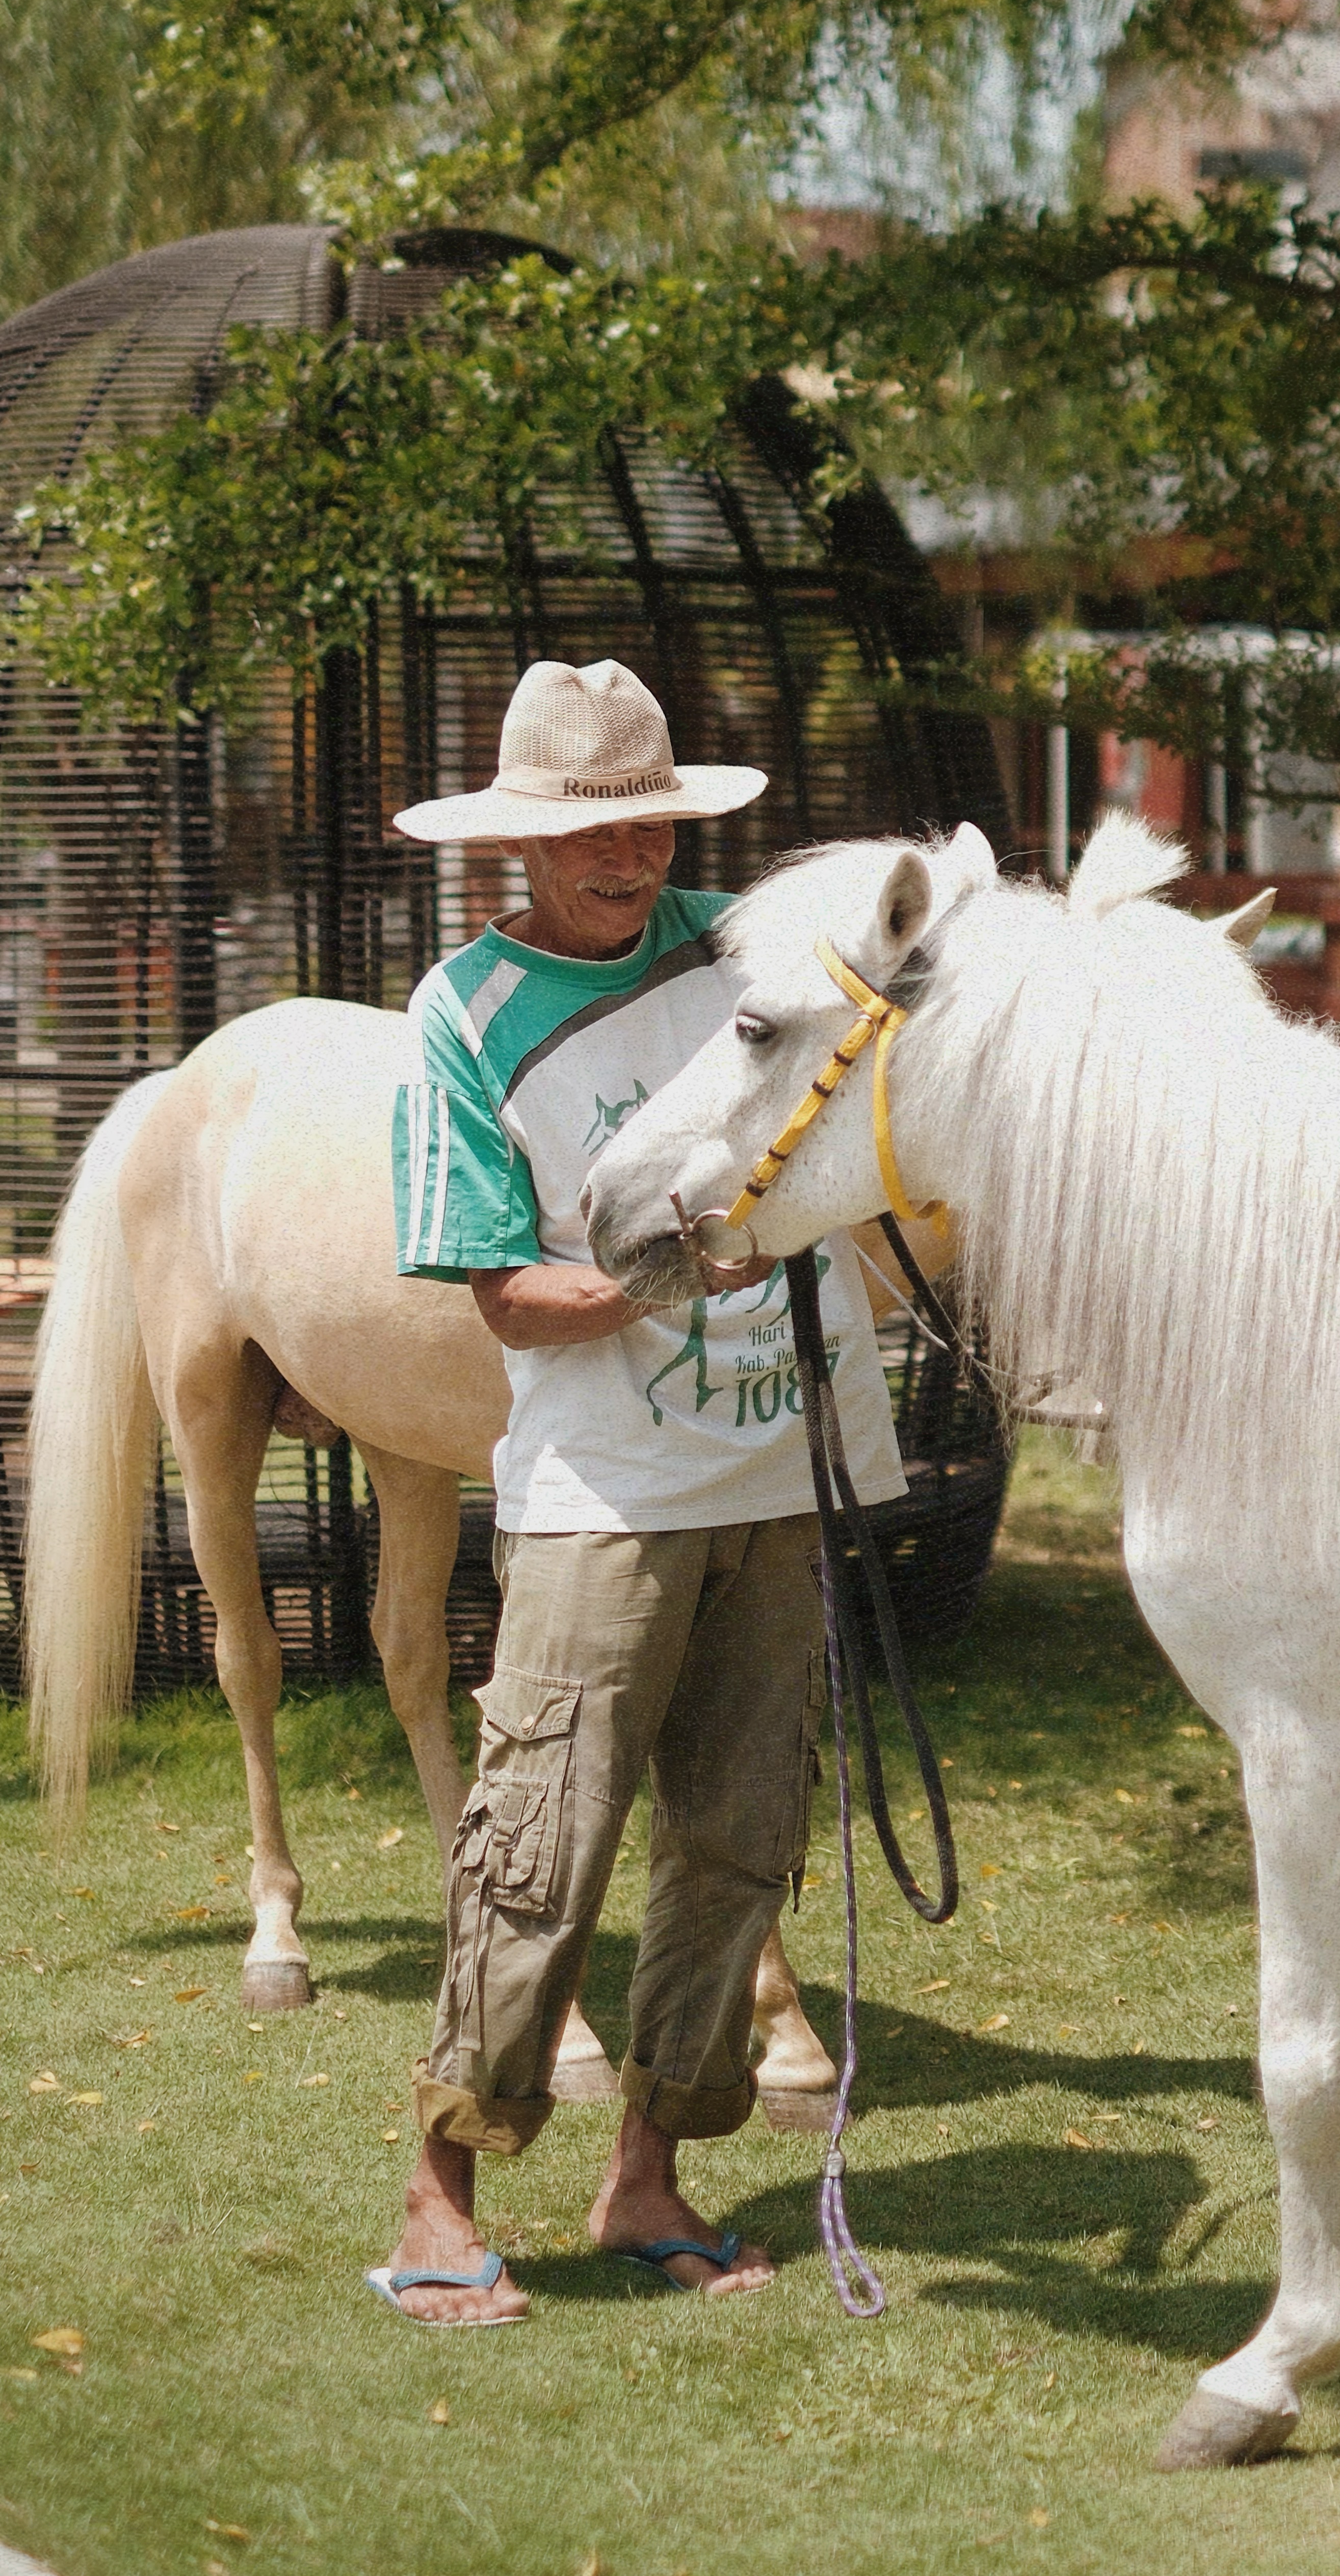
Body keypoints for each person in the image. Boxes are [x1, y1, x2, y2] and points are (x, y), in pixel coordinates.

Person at [365, 658, 906, 2325]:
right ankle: (438, 2197)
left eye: (649, 821)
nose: (627, 854)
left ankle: (647, 2175)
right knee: (541, 1842)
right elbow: (498, 1293)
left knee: (739, 1846)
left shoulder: (754, 946)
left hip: (775, 1473)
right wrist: (669, 1266)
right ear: (522, 840)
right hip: (601, 1494)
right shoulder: (461, 1015)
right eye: (592, 829)